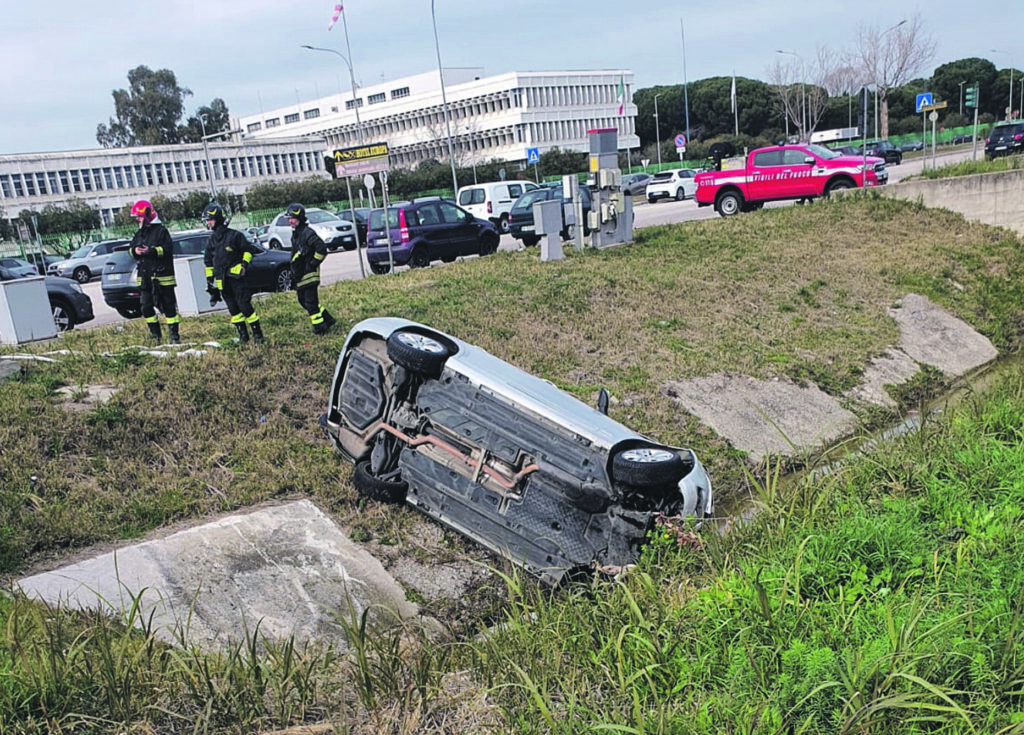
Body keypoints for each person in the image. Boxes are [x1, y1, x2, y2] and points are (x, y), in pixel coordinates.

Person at [203, 203, 265, 345]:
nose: (208, 223)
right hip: (222, 281)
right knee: (233, 309)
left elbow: (249, 251)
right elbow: (208, 262)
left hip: (237, 278)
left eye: (210, 219)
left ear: (217, 219)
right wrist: (209, 281)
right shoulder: (211, 240)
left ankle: (258, 334)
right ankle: (243, 336)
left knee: (244, 306)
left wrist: (244, 265)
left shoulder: (235, 236)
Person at [129, 199, 181, 344]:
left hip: (162, 277)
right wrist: (135, 251)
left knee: (169, 308)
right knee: (146, 307)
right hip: (146, 278)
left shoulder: (161, 231)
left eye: (139, 216)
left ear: (146, 215)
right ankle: (155, 336)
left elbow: (167, 249)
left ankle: (174, 336)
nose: (137, 220)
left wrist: (150, 251)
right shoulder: (139, 233)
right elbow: (131, 248)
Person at [287, 203, 336, 335]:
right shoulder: (296, 234)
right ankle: (328, 319)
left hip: (309, 275)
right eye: (289, 218)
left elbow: (321, 249)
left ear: (300, 218)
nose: (290, 221)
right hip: (300, 275)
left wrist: (312, 264)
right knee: (303, 301)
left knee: (311, 303)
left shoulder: (308, 233)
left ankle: (320, 329)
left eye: (293, 218)